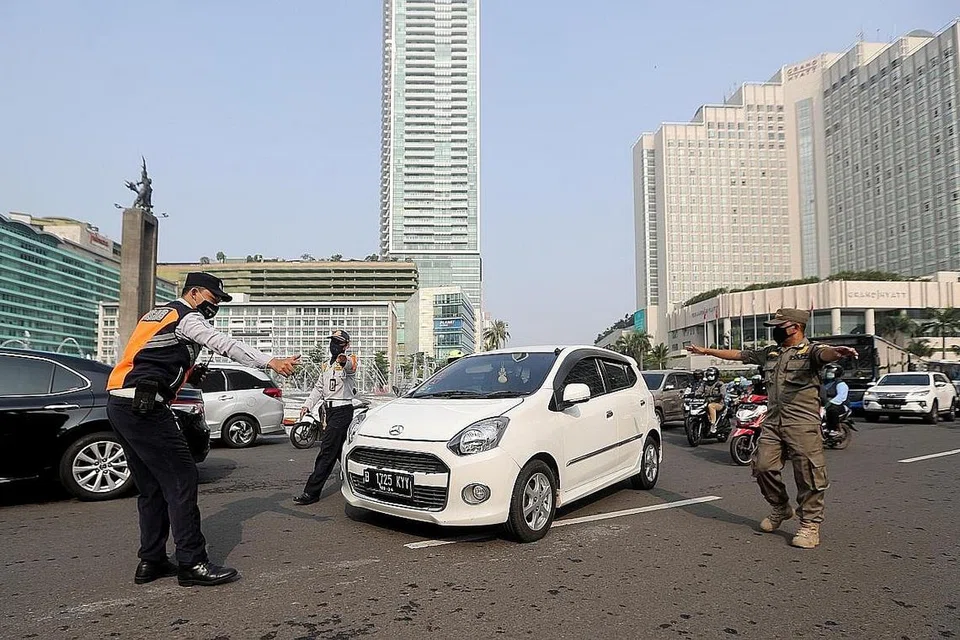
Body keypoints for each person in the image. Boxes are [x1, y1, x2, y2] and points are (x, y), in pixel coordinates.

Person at [107, 272, 300, 586]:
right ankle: (192, 563)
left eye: (220, 302)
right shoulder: (186, 316)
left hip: (120, 403)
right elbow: (223, 343)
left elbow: (149, 356)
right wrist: (270, 362)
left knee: (152, 488)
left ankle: (151, 561)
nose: (216, 307)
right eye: (213, 299)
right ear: (194, 293)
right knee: (183, 480)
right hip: (145, 408)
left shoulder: (158, 314)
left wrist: (190, 373)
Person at [686, 308, 858, 549]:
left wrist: (836, 353)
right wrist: (705, 351)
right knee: (762, 466)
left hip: (802, 423)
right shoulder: (771, 353)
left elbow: (825, 354)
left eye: (780, 325)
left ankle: (810, 525)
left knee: (808, 473)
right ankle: (780, 507)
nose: (775, 330)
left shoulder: (811, 351)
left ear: (795, 327)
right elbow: (739, 354)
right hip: (773, 421)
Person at [293, 330, 359, 506]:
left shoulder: (350, 359)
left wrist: (343, 360)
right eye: (332, 342)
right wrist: (307, 404)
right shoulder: (326, 365)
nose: (334, 345)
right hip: (329, 412)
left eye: (338, 342)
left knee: (326, 451)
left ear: (346, 345)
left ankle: (311, 492)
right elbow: (319, 388)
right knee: (340, 452)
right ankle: (360, 482)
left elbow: (350, 367)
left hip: (342, 411)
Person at [695, 367, 725, 434]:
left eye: (711, 375)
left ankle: (713, 424)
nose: (710, 377)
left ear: (716, 375)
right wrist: (696, 394)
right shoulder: (704, 384)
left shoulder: (720, 384)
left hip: (719, 404)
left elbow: (723, 393)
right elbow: (699, 391)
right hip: (706, 403)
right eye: (708, 375)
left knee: (711, 406)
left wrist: (720, 395)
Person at [821, 364, 849, 436]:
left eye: (830, 371)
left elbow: (841, 397)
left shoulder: (841, 384)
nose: (828, 373)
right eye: (827, 371)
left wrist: (829, 403)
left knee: (832, 410)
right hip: (824, 404)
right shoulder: (823, 383)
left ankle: (833, 429)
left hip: (839, 405)